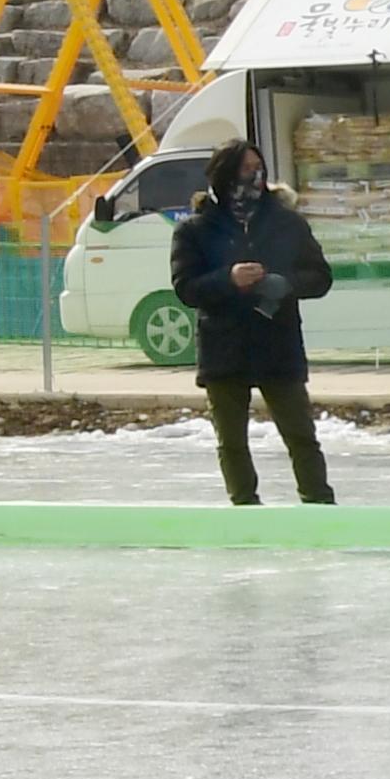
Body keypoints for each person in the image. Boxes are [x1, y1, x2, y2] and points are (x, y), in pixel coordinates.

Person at [167, 137, 334, 506]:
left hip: (278, 346)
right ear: (224, 175)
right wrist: (228, 280)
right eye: (245, 169)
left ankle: (319, 504)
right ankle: (244, 506)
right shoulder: (194, 230)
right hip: (224, 350)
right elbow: (186, 287)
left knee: (301, 436)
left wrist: (286, 284)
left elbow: (320, 276)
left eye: (258, 168)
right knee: (231, 441)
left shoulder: (287, 223)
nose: (254, 176)